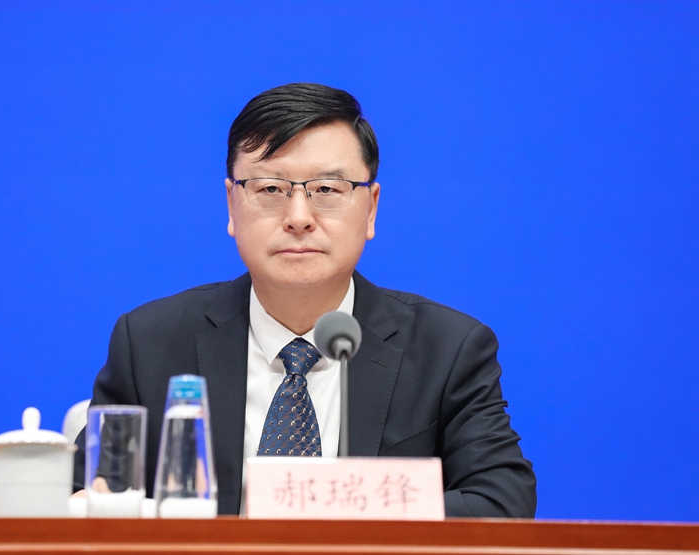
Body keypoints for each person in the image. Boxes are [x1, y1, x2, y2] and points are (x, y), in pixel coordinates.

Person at [74, 82, 536, 518]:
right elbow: (79, 496)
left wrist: (330, 508)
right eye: (270, 189)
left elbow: (501, 502)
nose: (298, 217)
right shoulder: (150, 342)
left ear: (371, 208)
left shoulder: (448, 349)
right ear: (232, 205)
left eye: (327, 190)